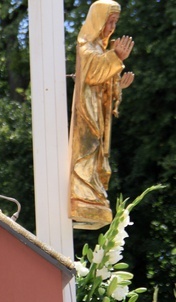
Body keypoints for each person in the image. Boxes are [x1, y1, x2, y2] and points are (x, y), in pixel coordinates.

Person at [69, 0, 135, 229]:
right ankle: (83, 200)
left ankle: (93, 200)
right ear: (98, 21)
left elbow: (102, 82)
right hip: (86, 113)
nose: (111, 29)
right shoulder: (85, 46)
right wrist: (116, 57)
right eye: (109, 22)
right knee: (86, 152)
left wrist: (117, 85)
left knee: (96, 155)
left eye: (115, 23)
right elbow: (93, 74)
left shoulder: (99, 49)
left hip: (97, 112)